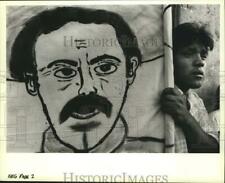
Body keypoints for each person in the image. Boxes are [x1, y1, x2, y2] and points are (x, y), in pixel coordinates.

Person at [9, 7, 141, 152]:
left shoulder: (159, 153)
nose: (87, 88)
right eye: (64, 72)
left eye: (105, 68)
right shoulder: (20, 166)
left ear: (130, 69)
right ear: (32, 83)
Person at [161, 22, 219, 153]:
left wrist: (185, 117)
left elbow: (211, 148)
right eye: (188, 53)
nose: (200, 62)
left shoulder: (196, 101)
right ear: (169, 59)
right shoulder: (158, 96)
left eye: (203, 55)